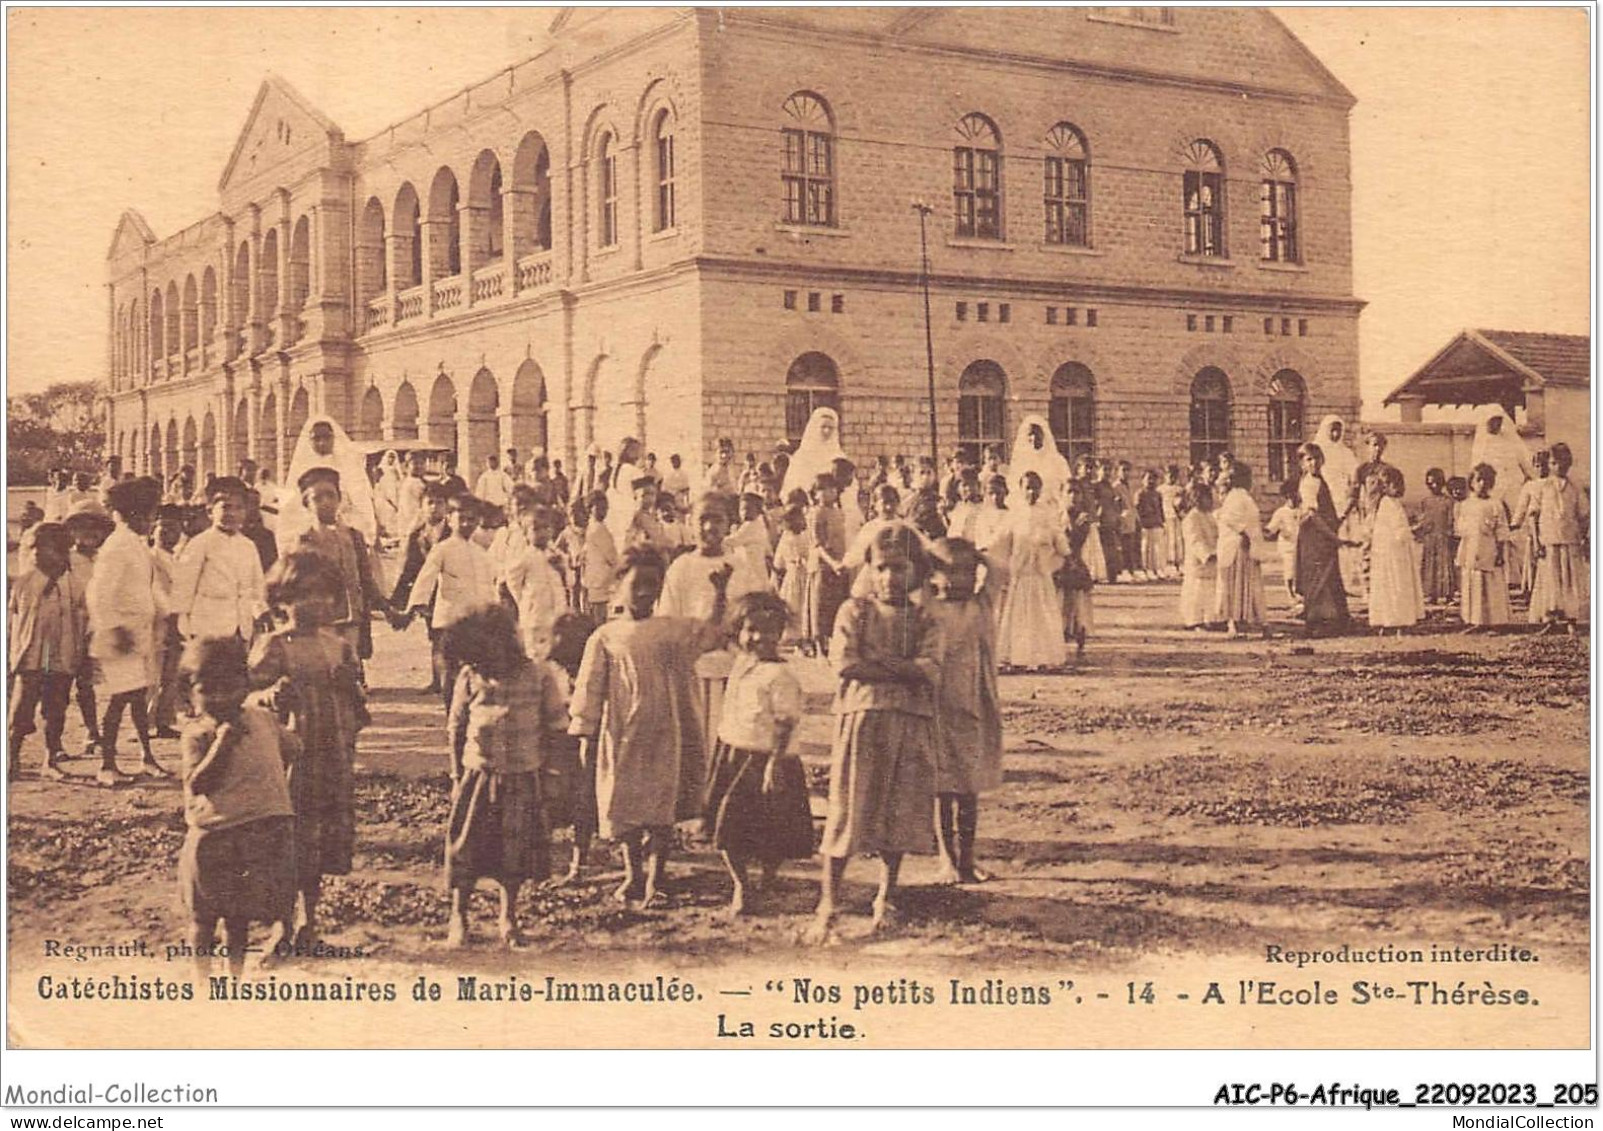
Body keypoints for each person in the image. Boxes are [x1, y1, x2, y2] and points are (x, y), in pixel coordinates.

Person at [568, 548, 733, 906]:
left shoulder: (670, 630)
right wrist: (585, 730)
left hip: (665, 733)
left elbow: (709, 632)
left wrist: (719, 593)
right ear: (619, 585)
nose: (644, 593)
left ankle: (657, 878)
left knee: (661, 807)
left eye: (652, 586)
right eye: (636, 585)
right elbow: (589, 686)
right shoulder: (606, 636)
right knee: (625, 804)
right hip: (623, 733)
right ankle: (633, 874)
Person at [809, 523, 941, 943]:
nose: (890, 578)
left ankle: (886, 894)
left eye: (900, 568)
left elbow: (931, 670)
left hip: (908, 719)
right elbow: (845, 664)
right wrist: (901, 669)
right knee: (848, 807)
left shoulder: (924, 617)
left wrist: (880, 665)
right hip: (861, 719)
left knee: (896, 809)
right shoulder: (854, 611)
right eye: (882, 568)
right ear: (869, 567)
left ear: (915, 571)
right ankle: (829, 900)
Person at [250, 552, 368, 952]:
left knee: (318, 840)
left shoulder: (338, 646)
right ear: (281, 599)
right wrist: (269, 695)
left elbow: (358, 710)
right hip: (290, 758)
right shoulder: (274, 645)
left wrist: (350, 686)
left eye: (322, 595)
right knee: (289, 838)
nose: (313, 604)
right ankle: (282, 923)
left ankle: (309, 921)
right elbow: (243, 699)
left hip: (330, 755)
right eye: (302, 595)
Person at [441, 607, 569, 947]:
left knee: (514, 852)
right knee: (465, 848)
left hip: (522, 777)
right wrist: (456, 776)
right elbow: (455, 728)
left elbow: (556, 727)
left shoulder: (538, 676)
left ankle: (508, 916)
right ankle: (459, 916)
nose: (486, 666)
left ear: (505, 644)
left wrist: (553, 774)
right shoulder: (470, 677)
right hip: (478, 776)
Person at [178, 635, 299, 980]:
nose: (220, 698)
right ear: (191, 692)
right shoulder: (198, 733)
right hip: (213, 836)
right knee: (203, 919)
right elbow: (198, 784)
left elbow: (293, 749)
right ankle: (202, 982)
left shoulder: (261, 719)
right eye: (208, 689)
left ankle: (235, 978)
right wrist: (222, 744)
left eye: (230, 686)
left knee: (238, 916)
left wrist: (291, 713)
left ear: (244, 685)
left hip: (254, 832)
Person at [701, 592, 813, 916]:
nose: (758, 638)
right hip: (734, 753)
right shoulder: (741, 662)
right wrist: (720, 591)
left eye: (768, 631)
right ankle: (742, 885)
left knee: (773, 827)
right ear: (739, 631)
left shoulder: (781, 676)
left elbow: (784, 723)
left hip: (768, 759)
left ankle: (769, 875)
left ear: (780, 634)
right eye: (750, 630)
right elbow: (719, 631)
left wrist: (774, 764)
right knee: (728, 825)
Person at [86, 476, 171, 785]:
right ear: (135, 514)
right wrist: (113, 629)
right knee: (121, 698)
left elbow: (148, 587)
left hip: (138, 633)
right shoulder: (117, 546)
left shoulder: (136, 544)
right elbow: (99, 594)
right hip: (119, 635)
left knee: (137, 697)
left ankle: (147, 758)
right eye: (150, 515)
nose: (153, 521)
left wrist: (167, 613)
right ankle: (107, 765)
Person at [929, 538, 1003, 886]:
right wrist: (933, 558)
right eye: (950, 571)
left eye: (967, 572)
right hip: (936, 709)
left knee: (968, 789)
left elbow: (1001, 570)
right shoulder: (927, 608)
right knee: (942, 790)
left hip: (973, 708)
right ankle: (947, 858)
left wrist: (978, 555)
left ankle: (968, 858)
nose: (959, 579)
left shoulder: (980, 605)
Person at [7, 524, 84, 780]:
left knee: (56, 709)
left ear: (61, 552)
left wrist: (78, 656)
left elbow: (81, 620)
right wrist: (13, 654)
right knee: (20, 711)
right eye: (33, 548)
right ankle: (11, 759)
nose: (36, 553)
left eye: (44, 548)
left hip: (61, 655)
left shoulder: (73, 583)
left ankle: (50, 759)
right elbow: (14, 621)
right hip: (30, 656)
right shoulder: (24, 583)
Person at [407, 495, 498, 707]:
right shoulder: (443, 549)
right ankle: (452, 714)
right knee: (449, 671)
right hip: (449, 621)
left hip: (475, 622)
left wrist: (493, 613)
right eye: (462, 519)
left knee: (475, 670)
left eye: (472, 519)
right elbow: (427, 576)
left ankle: (470, 712)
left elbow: (488, 585)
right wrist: (418, 603)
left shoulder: (481, 553)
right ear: (450, 519)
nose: (466, 524)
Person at [292, 467, 390, 665]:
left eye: (331, 496)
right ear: (306, 504)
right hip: (322, 619)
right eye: (317, 499)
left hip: (352, 615)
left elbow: (365, 576)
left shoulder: (354, 536)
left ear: (339, 499)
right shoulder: (303, 540)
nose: (325, 502)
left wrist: (385, 606)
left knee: (350, 662)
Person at [169, 476, 269, 650]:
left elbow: (256, 587)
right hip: (208, 626)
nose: (232, 513)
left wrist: (260, 612)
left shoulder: (248, 546)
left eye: (239, 508)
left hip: (240, 627)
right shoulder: (200, 543)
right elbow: (183, 587)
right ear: (210, 511)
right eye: (225, 507)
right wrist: (184, 626)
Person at [996, 471, 1068, 672]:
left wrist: (1060, 556)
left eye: (1035, 487)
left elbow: (1059, 540)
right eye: (1027, 487)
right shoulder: (1014, 515)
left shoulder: (1047, 514)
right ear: (1020, 489)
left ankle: (1043, 656)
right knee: (1019, 615)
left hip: (1040, 574)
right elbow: (1001, 540)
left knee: (1042, 614)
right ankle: (1019, 655)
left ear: (1041, 489)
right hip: (1020, 574)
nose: (1031, 492)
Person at [277, 417, 378, 555]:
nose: (322, 443)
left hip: (345, 533)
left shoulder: (348, 468)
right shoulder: (301, 470)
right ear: (309, 441)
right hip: (311, 537)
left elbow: (360, 504)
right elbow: (291, 511)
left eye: (327, 438)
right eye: (316, 439)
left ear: (333, 439)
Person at [63, 502, 114, 759]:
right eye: (83, 526)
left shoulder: (106, 559)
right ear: (72, 530)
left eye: (96, 527)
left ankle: (95, 732)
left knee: (91, 683)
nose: (90, 533)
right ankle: (62, 740)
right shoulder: (67, 560)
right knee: (65, 684)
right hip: (71, 628)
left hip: (99, 626)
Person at [1293, 443, 1352, 636]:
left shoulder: (1319, 480)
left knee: (1329, 575)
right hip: (1315, 536)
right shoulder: (1309, 483)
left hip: (1323, 535)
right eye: (1309, 459)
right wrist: (1334, 537)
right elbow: (1313, 516)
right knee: (1318, 577)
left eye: (1317, 458)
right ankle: (1318, 621)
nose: (1314, 463)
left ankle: (1334, 619)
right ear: (1302, 463)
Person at [1529, 443, 1588, 633]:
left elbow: (1585, 514)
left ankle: (1571, 620)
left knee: (1569, 579)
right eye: (1554, 463)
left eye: (1562, 462)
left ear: (1568, 463)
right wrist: (1537, 542)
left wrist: (1585, 536)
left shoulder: (1575, 486)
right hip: (1549, 539)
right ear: (1549, 464)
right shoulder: (1542, 487)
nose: (1558, 467)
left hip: (1570, 539)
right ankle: (1550, 619)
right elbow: (1533, 515)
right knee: (1550, 579)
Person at [505, 505, 568, 661]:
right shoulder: (526, 557)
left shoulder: (556, 555)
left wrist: (562, 569)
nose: (542, 533)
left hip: (556, 612)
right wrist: (525, 600)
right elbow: (513, 580)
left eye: (546, 528)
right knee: (535, 652)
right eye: (536, 529)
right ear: (526, 534)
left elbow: (570, 582)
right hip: (535, 615)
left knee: (555, 650)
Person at [1366, 466, 1424, 634]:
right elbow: (1399, 531)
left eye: (1401, 484)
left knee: (1390, 584)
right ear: (1385, 487)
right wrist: (1415, 529)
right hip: (1394, 553)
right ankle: (1397, 621)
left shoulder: (1388, 504)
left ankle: (1388, 621)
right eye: (1395, 485)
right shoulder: (1389, 505)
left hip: (1389, 552)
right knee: (1397, 584)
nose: (1400, 488)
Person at [1212, 463, 1268, 638]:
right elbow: (1231, 519)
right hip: (1238, 546)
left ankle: (1242, 620)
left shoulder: (1240, 497)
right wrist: (1244, 534)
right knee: (1236, 584)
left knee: (1242, 585)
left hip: (1242, 545)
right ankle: (1234, 623)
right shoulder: (1237, 497)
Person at [1310, 416, 1362, 596]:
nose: (1335, 434)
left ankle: (1346, 582)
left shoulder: (1346, 453)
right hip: (1323, 500)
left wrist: (1350, 494)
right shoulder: (1317, 452)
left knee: (1345, 541)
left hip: (1342, 501)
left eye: (1338, 430)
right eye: (1331, 429)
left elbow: (1355, 475)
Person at [148, 506, 188, 739]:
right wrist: (171, 616)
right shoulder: (149, 557)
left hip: (176, 622)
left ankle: (164, 720)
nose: (169, 534)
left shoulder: (178, 558)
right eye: (164, 528)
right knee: (152, 674)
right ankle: (147, 721)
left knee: (171, 674)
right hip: (156, 621)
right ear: (154, 530)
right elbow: (157, 592)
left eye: (174, 530)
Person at [1457, 463, 1512, 631]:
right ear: (1472, 482)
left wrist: (1500, 552)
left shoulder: (1496, 504)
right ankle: (1475, 621)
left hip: (1489, 548)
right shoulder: (1466, 504)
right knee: (1473, 582)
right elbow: (1461, 528)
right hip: (1472, 547)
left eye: (1486, 480)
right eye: (1478, 480)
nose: (1482, 484)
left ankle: (1494, 622)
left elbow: (1501, 529)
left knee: (1491, 584)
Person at [806, 472, 849, 655]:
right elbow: (818, 544)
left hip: (838, 563)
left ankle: (833, 642)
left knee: (836, 603)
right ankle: (818, 643)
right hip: (824, 564)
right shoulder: (816, 513)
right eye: (822, 489)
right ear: (815, 493)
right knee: (820, 604)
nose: (828, 493)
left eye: (831, 489)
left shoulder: (838, 512)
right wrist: (832, 563)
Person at [1471, 407, 1533, 524]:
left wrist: (1529, 476)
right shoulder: (1481, 442)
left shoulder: (1509, 438)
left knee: (1516, 515)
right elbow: (1475, 468)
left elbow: (1524, 459)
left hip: (1512, 483)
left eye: (1499, 420)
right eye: (1492, 421)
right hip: (1492, 486)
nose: (1496, 424)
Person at [1508, 448, 1550, 597]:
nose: (1541, 469)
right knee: (1533, 557)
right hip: (1533, 527)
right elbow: (1522, 507)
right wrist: (1515, 524)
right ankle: (1532, 591)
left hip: (1550, 526)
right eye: (1538, 466)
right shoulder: (1530, 486)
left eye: (1544, 465)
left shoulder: (1553, 484)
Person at [782, 408, 848, 501]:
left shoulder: (840, 457)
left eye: (831, 428)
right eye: (823, 427)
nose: (827, 431)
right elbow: (792, 485)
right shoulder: (802, 456)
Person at [1008, 415, 1071, 512]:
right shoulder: (1020, 461)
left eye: (1037, 433)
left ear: (1044, 435)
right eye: (1030, 434)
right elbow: (1013, 489)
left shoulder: (1058, 460)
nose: (1033, 437)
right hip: (1026, 510)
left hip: (1052, 509)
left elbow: (1067, 485)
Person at [575, 491, 621, 623]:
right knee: (598, 617)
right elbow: (612, 556)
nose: (603, 511)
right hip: (598, 580)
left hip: (596, 579)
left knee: (597, 614)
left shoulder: (594, 528)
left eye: (605, 508)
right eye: (599, 508)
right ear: (590, 509)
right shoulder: (598, 530)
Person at [772, 504, 813, 650]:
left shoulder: (807, 535)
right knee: (791, 603)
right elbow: (779, 560)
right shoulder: (786, 537)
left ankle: (805, 634)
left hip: (805, 574)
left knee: (804, 603)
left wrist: (805, 562)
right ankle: (792, 634)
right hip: (792, 575)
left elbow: (810, 554)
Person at [1179, 481, 1218, 631]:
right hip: (1199, 562)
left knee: (1210, 592)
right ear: (1197, 499)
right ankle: (1194, 621)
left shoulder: (1209, 516)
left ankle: (1211, 619)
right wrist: (1206, 554)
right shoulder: (1192, 518)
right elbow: (1194, 540)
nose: (1211, 501)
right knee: (1196, 592)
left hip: (1213, 560)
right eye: (1208, 498)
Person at [1415, 468, 1456, 608]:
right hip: (1430, 538)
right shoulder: (1425, 502)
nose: (1433, 486)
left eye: (1436, 483)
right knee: (1430, 566)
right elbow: (1422, 520)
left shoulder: (1449, 501)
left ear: (1442, 483)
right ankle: (1431, 594)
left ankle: (1448, 594)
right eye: (1430, 483)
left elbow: (1452, 519)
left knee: (1445, 566)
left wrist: (1450, 534)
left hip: (1444, 537)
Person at [1265, 478, 1302, 606]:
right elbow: (1271, 528)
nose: (1297, 497)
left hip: (1301, 546)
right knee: (1290, 570)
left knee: (1300, 571)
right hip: (1288, 547)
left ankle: (1299, 595)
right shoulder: (1281, 512)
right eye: (1294, 495)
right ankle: (1290, 595)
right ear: (1288, 496)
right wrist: (1267, 532)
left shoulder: (1302, 510)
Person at [1136, 469, 1165, 581]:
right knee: (1146, 549)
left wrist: (1162, 522)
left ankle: (1157, 569)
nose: (1151, 481)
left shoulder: (1157, 494)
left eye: (1154, 479)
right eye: (1149, 479)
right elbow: (1138, 509)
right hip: (1145, 525)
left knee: (1157, 549)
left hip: (1156, 524)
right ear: (1143, 480)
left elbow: (1160, 509)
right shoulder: (1140, 493)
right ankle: (1146, 569)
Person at [240, 489, 278, 574]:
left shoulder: (267, 536)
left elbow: (272, 565)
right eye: (250, 503)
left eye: (256, 503)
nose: (254, 508)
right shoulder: (234, 533)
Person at [1158, 465, 1184, 578]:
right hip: (1165, 517)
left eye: (1174, 476)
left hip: (1176, 517)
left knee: (1177, 540)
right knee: (1167, 541)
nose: (1171, 478)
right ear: (1165, 476)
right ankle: (1168, 565)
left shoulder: (1179, 489)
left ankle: (1178, 564)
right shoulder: (1160, 489)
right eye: (1169, 475)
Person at [372, 450, 403, 542]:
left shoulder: (395, 470)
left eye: (393, 458)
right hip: (383, 491)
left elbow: (399, 481)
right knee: (384, 511)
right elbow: (377, 481)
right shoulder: (381, 468)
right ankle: (383, 531)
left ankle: (391, 533)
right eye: (389, 457)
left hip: (393, 491)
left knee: (393, 512)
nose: (391, 459)